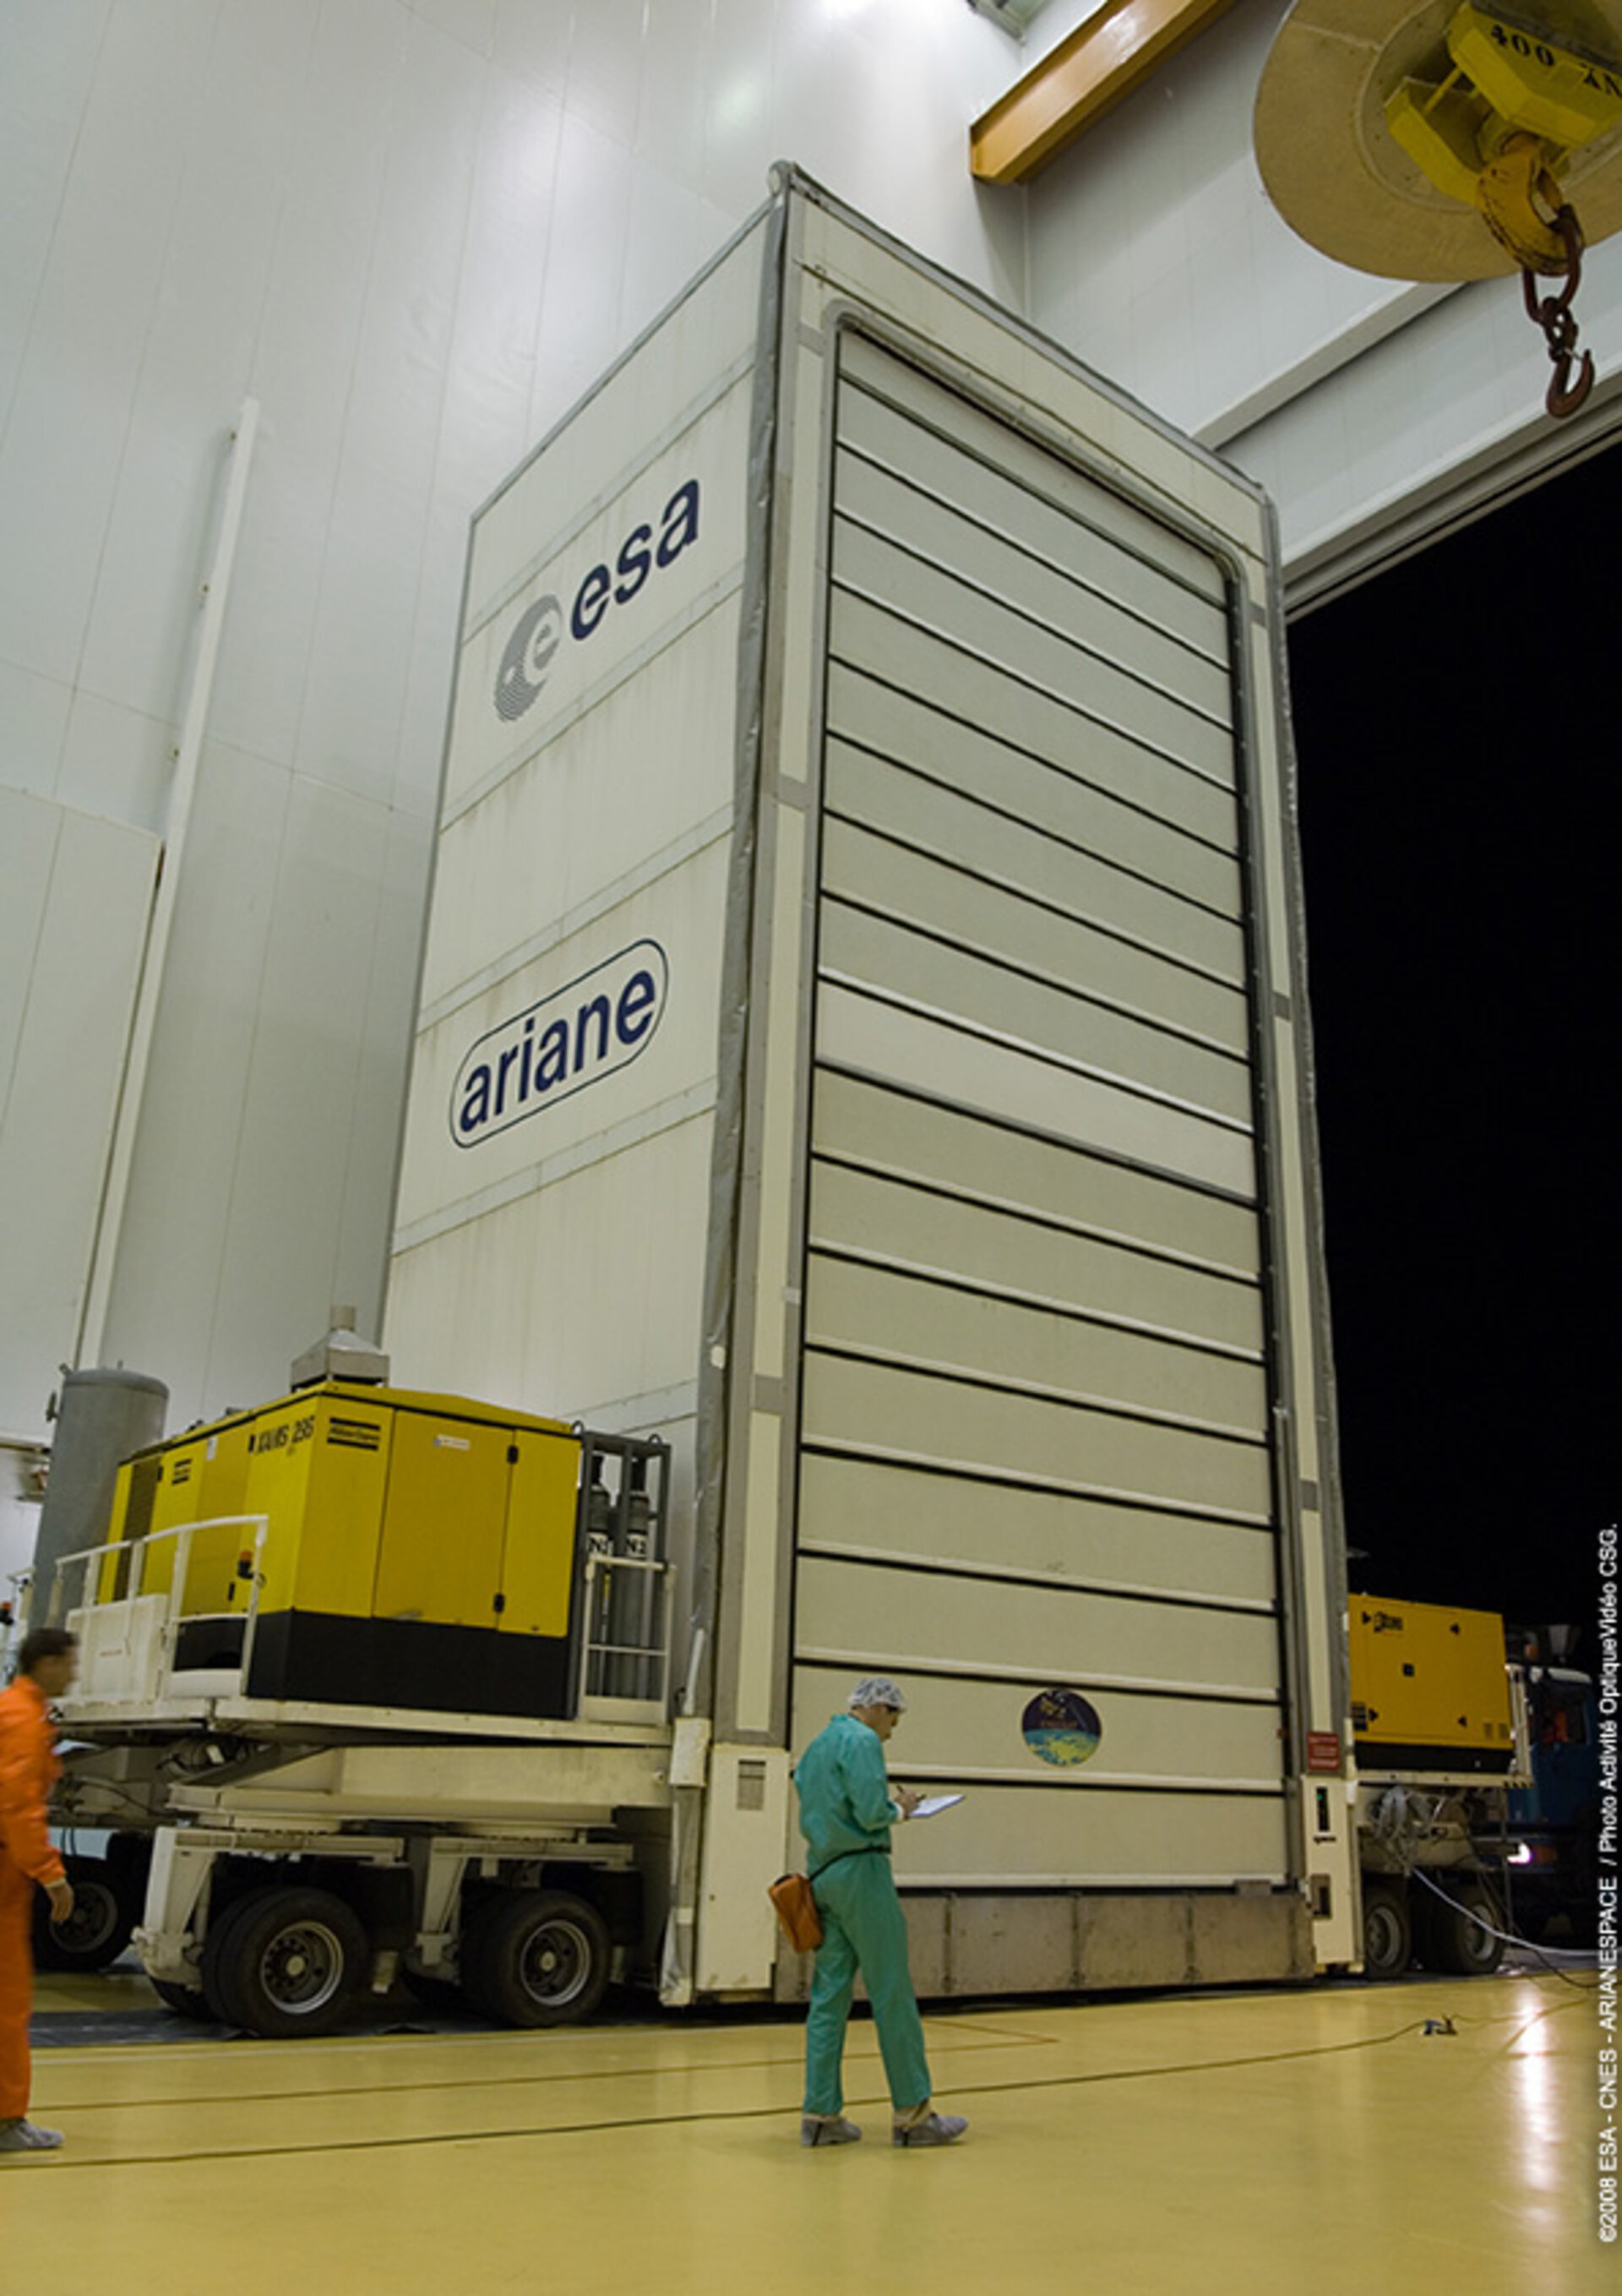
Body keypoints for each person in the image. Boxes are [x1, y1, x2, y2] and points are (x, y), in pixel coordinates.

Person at [794, 1675, 967, 2149]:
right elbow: (871, 1812)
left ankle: (820, 2115)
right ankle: (914, 2115)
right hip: (862, 1873)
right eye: (894, 1719)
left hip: (822, 1874)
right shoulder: (862, 1741)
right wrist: (903, 1808)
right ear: (878, 1707)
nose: (892, 1731)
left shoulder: (817, 1747)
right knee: (891, 1990)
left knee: (828, 1998)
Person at [0, 1627, 78, 2155]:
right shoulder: (24, 1721)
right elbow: (19, 1808)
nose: (74, 1673)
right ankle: (6, 2120)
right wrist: (52, 1874)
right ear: (45, 1663)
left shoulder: (15, 1711)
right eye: (69, 1663)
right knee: (7, 2002)